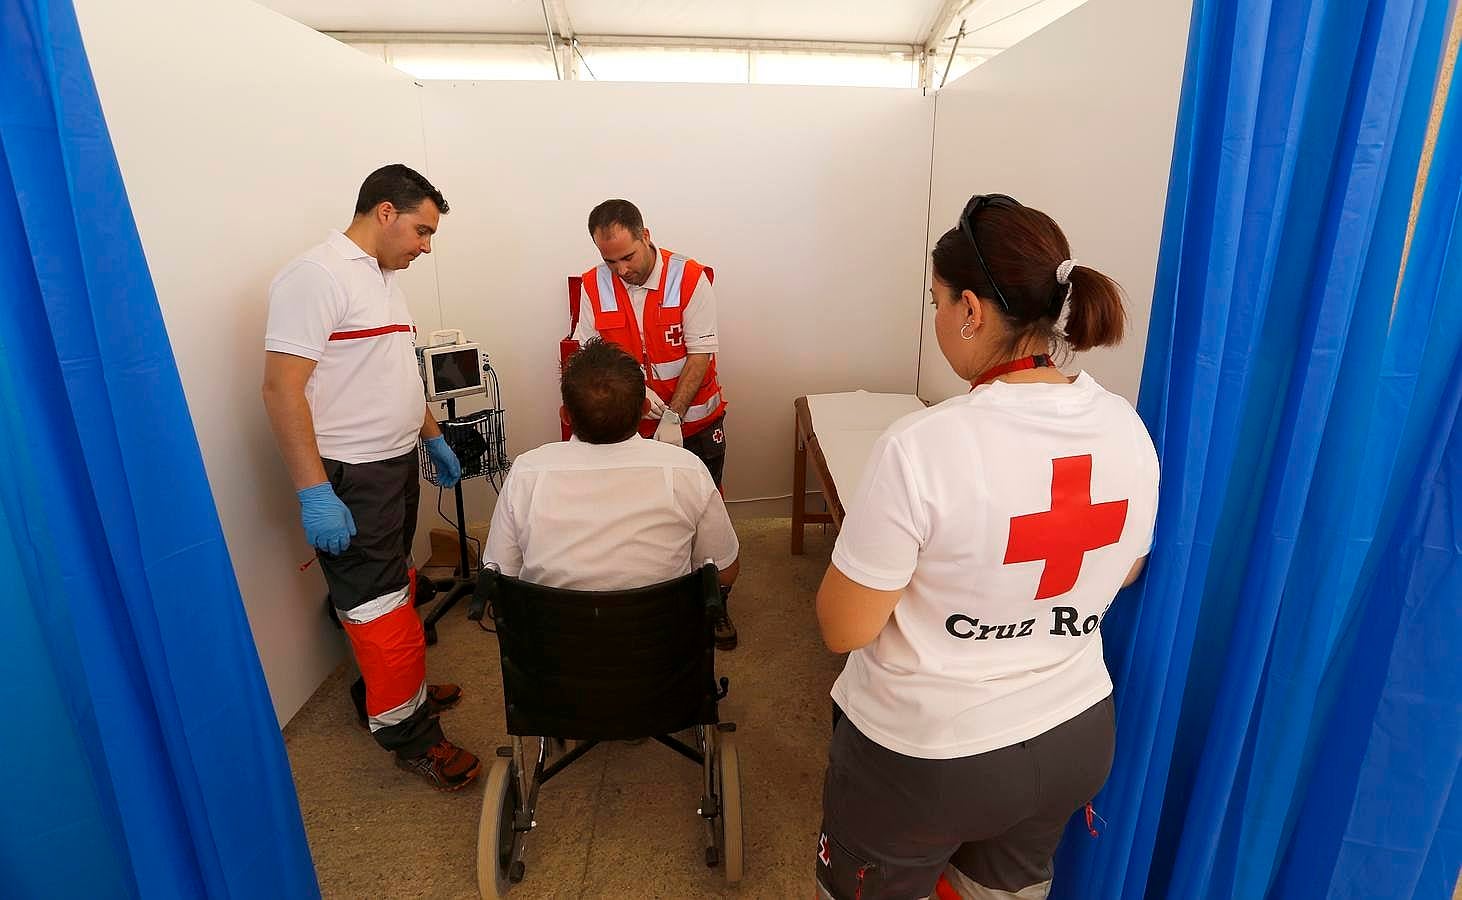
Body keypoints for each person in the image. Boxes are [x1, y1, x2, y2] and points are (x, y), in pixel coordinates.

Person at [813, 194, 1160, 900]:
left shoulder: (924, 445)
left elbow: (843, 626)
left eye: (936, 300)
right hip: (1075, 735)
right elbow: (1124, 571)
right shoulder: (1125, 426)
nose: (935, 317)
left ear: (971, 309)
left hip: (927, 759)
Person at [262, 163, 481, 792]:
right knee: (381, 608)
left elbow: (394, 376)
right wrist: (314, 491)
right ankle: (410, 736)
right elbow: (281, 390)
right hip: (350, 477)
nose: (425, 246)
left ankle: (391, 692)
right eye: (421, 230)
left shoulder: (384, 280)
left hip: (393, 467)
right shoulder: (316, 277)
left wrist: (432, 438)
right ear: (384, 212)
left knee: (387, 589)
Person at [571, 199, 739, 648]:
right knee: (646, 516)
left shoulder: (690, 278)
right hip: (634, 426)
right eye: (609, 260)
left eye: (627, 257)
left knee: (705, 513)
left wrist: (674, 415)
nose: (620, 270)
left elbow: (701, 354)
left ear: (647, 236)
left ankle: (714, 604)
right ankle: (654, 599)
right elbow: (593, 356)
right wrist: (635, 396)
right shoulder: (594, 285)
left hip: (697, 420)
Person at [483, 338, 740, 604]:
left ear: (565, 416)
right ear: (644, 410)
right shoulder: (686, 470)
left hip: (554, 642)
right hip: (662, 641)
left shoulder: (527, 473)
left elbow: (500, 577)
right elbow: (725, 573)